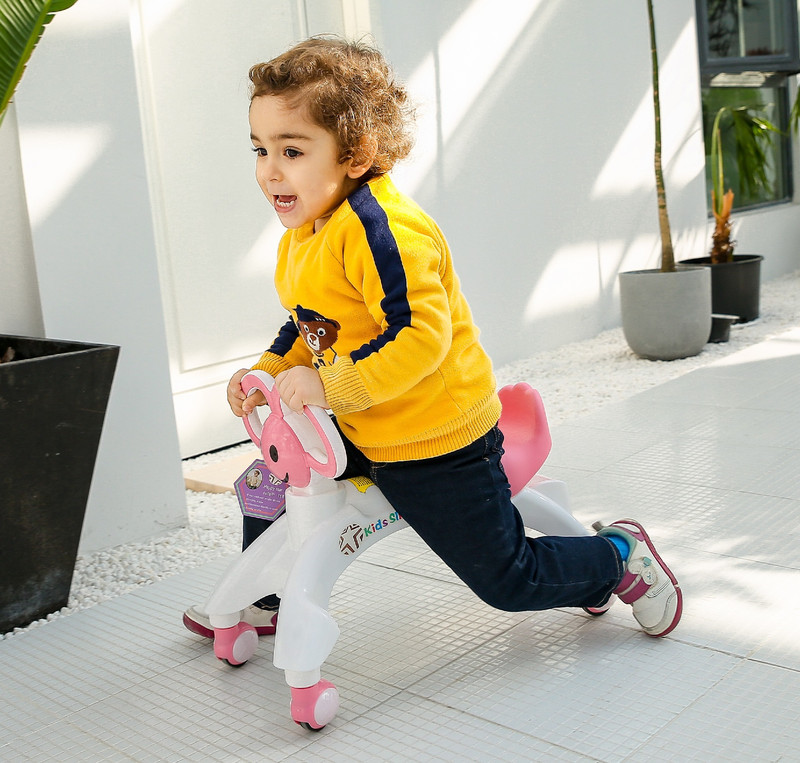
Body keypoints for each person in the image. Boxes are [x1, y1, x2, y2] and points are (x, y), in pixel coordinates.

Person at [185, 35, 682, 641]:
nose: (268, 170)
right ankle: (270, 595)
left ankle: (616, 558)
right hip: (365, 417)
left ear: (357, 152)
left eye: (291, 150)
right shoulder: (304, 232)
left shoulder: (381, 230)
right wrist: (268, 370)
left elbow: (421, 336)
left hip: (433, 435)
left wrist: (326, 383)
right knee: (269, 479)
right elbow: (310, 323)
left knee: (507, 579)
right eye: (260, 148)